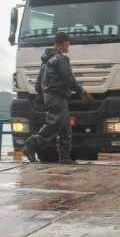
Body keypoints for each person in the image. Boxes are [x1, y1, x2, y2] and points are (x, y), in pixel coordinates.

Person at [22, 31, 93, 163]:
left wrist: (40, 93)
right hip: (56, 97)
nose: (69, 46)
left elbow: (40, 78)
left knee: (65, 128)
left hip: (53, 97)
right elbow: (69, 78)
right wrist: (82, 92)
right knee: (53, 125)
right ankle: (30, 145)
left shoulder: (46, 59)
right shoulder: (60, 59)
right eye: (68, 43)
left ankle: (65, 158)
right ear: (64, 43)